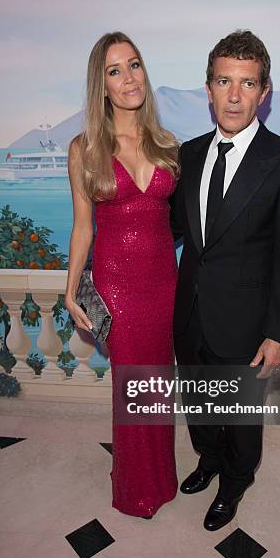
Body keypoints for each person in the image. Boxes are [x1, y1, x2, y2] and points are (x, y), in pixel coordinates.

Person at [170, 30, 280, 531]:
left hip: (248, 325)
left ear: (264, 91)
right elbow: (169, 228)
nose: (234, 95)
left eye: (247, 83)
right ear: (207, 87)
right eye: (223, 81)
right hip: (189, 316)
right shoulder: (186, 156)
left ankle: (235, 481)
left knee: (239, 417)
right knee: (199, 403)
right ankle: (208, 460)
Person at [65, 32, 179, 518]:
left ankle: (162, 477)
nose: (128, 77)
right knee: (132, 386)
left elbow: (180, 221)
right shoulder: (84, 148)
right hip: (117, 287)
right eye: (115, 70)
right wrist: (71, 292)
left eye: (133, 65)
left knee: (159, 382)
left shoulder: (166, 142)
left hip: (164, 283)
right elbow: (83, 227)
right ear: (102, 84)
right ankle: (136, 489)